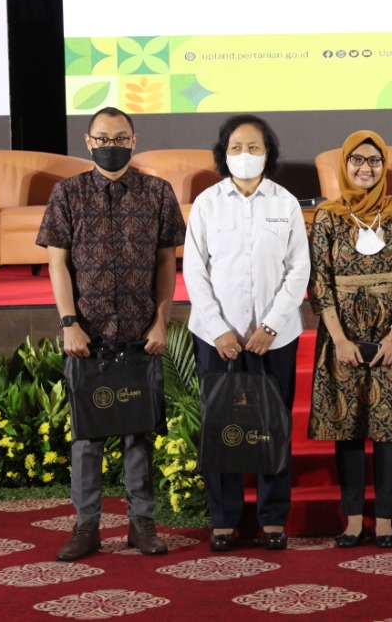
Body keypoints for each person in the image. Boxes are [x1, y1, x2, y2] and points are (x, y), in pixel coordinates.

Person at [38, 106, 184, 561]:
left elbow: (166, 261)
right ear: (88, 142)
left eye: (120, 138)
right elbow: (57, 263)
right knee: (87, 438)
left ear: (134, 141)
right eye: (103, 138)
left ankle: (142, 524)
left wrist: (161, 321)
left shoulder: (158, 192)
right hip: (87, 335)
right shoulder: (67, 192)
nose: (111, 146)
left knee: (139, 434)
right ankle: (87, 527)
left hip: (141, 333)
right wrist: (69, 323)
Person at [185, 114, 310, 552]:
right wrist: (219, 329)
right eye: (236, 147)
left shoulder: (285, 202)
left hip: (275, 337)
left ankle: (273, 518)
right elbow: (194, 270)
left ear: (268, 152)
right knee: (221, 425)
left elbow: (299, 270)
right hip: (216, 338)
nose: (245, 155)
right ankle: (224, 519)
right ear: (223, 154)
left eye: (254, 147)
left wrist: (271, 325)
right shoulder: (207, 203)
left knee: (273, 424)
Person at [307, 131, 392, 549]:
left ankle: (384, 521)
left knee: (389, 430)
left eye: (374, 161)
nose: (366, 168)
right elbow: (320, 282)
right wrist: (339, 340)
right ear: (345, 165)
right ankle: (353, 521)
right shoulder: (327, 216)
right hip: (340, 334)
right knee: (347, 428)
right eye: (357, 160)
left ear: (384, 165)